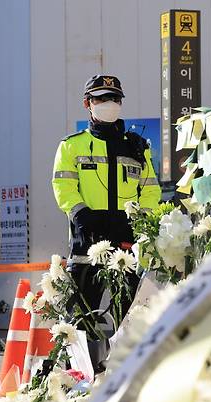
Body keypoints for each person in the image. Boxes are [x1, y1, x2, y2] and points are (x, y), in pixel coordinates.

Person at [52, 75, 161, 331]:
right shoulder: (72, 146)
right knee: (79, 319)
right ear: (87, 103)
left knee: (131, 318)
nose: (109, 103)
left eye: (114, 98)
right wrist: (81, 215)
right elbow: (63, 186)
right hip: (87, 240)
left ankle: (124, 369)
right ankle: (75, 370)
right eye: (101, 98)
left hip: (126, 242)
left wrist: (139, 224)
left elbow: (150, 190)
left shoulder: (136, 147)